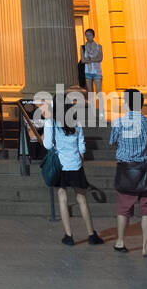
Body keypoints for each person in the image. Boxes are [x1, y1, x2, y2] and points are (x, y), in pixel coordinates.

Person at [39, 95, 102, 246]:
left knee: (62, 198)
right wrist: (81, 158)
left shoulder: (51, 123)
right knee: (82, 199)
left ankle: (69, 235)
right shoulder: (76, 123)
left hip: (61, 165)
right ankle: (91, 234)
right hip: (75, 165)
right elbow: (81, 144)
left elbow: (47, 145)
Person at [110, 89, 147, 257]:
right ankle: (146, 246)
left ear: (126, 103)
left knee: (123, 208)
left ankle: (120, 241)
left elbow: (112, 141)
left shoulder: (119, 122)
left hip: (126, 169)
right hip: (145, 169)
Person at [80, 28, 103, 102]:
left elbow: (100, 58)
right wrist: (94, 59)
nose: (87, 37)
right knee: (90, 93)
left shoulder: (99, 46)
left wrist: (89, 59)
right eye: (86, 35)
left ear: (93, 36)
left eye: (89, 35)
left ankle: (101, 110)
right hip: (88, 72)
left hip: (97, 72)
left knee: (99, 92)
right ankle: (92, 109)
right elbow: (83, 60)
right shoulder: (83, 47)